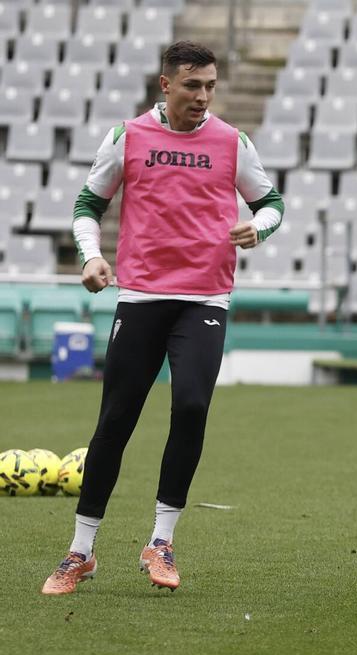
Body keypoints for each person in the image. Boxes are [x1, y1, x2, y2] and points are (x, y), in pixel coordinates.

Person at [42, 41, 285, 595]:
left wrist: (260, 227)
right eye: (193, 86)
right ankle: (80, 552)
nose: (203, 97)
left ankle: (161, 541)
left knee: (193, 405)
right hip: (142, 295)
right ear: (165, 85)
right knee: (115, 422)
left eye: (210, 87)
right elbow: (87, 205)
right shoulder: (127, 136)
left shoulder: (232, 142)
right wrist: (91, 256)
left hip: (205, 297)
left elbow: (272, 201)